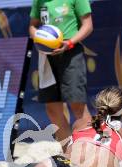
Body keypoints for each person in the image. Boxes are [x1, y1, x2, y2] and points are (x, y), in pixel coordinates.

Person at [29, 0, 94, 151]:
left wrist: (69, 43)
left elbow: (88, 25)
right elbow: (33, 25)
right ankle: (68, 153)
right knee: (52, 108)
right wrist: (38, 38)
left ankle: (90, 151)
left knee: (77, 105)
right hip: (46, 56)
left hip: (70, 53)